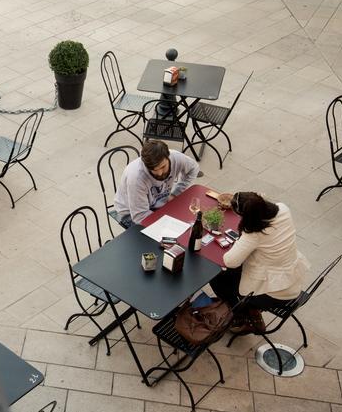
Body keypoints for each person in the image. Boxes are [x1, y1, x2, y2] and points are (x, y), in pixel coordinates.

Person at [208, 192, 311, 334]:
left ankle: (242, 313)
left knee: (218, 277)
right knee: (234, 272)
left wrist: (242, 238)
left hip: (274, 293)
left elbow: (230, 261)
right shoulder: (283, 209)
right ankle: (248, 311)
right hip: (292, 279)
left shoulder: (254, 234)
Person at [113, 140, 199, 227]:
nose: (159, 173)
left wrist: (176, 193)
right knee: (170, 235)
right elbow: (139, 216)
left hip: (158, 205)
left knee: (189, 220)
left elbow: (193, 168)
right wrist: (169, 223)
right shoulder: (136, 178)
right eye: (154, 170)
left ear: (168, 156)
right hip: (130, 214)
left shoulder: (176, 158)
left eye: (163, 167)